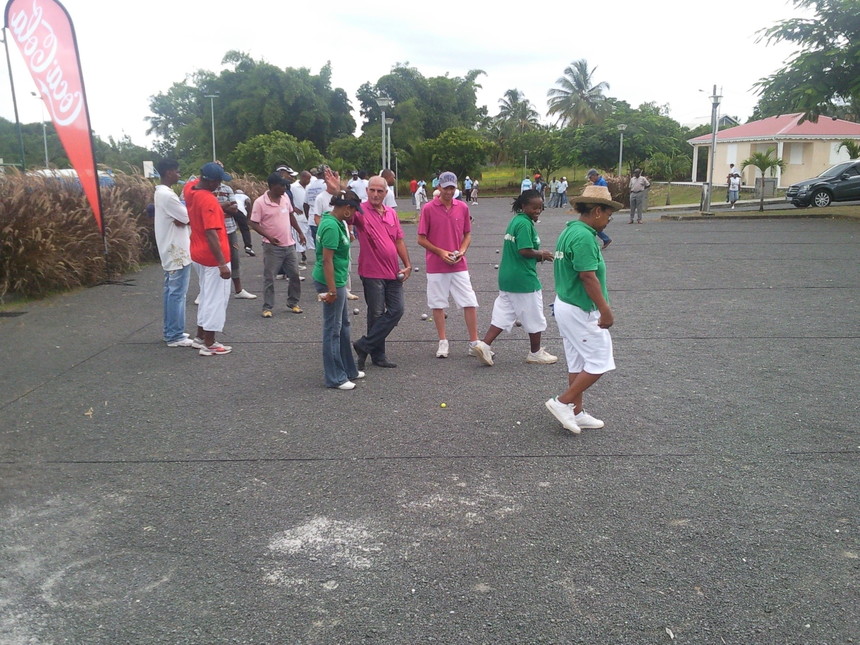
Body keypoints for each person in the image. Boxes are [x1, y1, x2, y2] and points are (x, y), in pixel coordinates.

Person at [545, 184, 620, 433]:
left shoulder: (571, 230)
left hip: (567, 303)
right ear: (597, 210)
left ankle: (576, 412)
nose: (609, 220)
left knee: (577, 361)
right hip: (580, 308)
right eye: (609, 214)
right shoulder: (584, 236)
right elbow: (588, 276)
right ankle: (563, 402)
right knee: (600, 360)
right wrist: (605, 309)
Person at [471, 189, 556, 367]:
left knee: (504, 314)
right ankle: (535, 353)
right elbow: (524, 250)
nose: (537, 211)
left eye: (540, 208)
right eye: (534, 207)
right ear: (523, 206)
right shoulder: (524, 224)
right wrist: (542, 254)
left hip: (507, 277)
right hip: (523, 279)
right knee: (535, 317)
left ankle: (484, 346)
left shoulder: (516, 220)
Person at [417, 170, 481, 358]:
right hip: (436, 265)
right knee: (438, 304)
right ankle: (443, 341)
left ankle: (474, 342)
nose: (448, 192)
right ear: (439, 187)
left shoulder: (462, 207)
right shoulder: (428, 208)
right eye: (445, 188)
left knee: (469, 302)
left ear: (456, 188)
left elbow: (467, 234)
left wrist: (461, 251)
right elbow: (421, 238)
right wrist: (440, 252)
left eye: (452, 188)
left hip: (459, 264)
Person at [351, 176, 413, 370]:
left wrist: (407, 264)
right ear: (367, 191)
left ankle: (364, 345)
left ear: (386, 193)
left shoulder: (391, 214)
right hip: (372, 271)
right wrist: (336, 190)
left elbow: (399, 240)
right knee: (376, 314)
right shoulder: (360, 211)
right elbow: (346, 213)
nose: (376, 194)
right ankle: (378, 355)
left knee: (397, 310)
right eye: (372, 190)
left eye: (380, 191)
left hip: (393, 271)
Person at [313, 189, 366, 390]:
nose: (354, 215)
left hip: (338, 279)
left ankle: (348, 369)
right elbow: (327, 260)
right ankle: (335, 377)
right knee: (332, 329)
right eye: (353, 211)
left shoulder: (337, 222)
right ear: (346, 209)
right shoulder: (331, 226)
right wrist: (333, 291)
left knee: (343, 325)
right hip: (330, 281)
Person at [185, 162, 233, 356]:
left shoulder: (191, 190)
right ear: (212, 181)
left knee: (206, 295)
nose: (220, 185)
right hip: (213, 258)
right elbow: (211, 233)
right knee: (216, 299)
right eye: (219, 181)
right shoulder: (209, 200)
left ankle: (199, 337)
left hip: (198, 252)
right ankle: (209, 343)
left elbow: (195, 181)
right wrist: (222, 263)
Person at [249, 173, 307, 317]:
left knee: (294, 274)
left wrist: (299, 232)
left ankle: (293, 302)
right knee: (270, 277)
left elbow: (290, 215)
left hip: (289, 244)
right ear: (272, 186)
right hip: (272, 247)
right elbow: (254, 223)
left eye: (285, 185)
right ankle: (267, 307)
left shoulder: (285, 198)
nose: (284, 188)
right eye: (281, 185)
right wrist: (268, 236)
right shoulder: (260, 202)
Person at [153, 159, 193, 347]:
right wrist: (184, 217)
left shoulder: (161, 193)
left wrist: (183, 218)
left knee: (172, 292)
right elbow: (187, 216)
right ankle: (174, 335)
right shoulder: (168, 196)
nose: (179, 175)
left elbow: (183, 217)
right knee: (177, 293)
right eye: (177, 171)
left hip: (171, 250)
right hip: (177, 251)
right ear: (168, 172)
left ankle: (172, 330)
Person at [213, 178, 256, 300]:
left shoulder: (227, 189)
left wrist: (216, 206)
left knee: (234, 259)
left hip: (229, 229)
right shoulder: (205, 190)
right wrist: (225, 205)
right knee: (211, 261)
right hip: (212, 230)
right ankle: (206, 292)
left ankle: (238, 290)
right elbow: (206, 209)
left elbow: (234, 209)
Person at [290, 170, 313, 264]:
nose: (309, 181)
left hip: (310, 214)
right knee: (300, 235)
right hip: (299, 215)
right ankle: (303, 255)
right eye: (308, 179)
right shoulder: (293, 187)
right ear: (303, 177)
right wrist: (293, 208)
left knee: (311, 235)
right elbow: (288, 198)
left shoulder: (310, 186)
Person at [586, 170, 612, 249]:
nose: (590, 179)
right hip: (596, 206)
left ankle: (605, 239)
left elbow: (604, 195)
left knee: (594, 225)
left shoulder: (602, 182)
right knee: (593, 225)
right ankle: (605, 239)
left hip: (601, 206)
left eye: (591, 177)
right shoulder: (596, 183)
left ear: (594, 176)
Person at [232, 189, 255, 257]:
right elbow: (248, 203)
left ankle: (231, 247)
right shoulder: (245, 196)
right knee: (245, 230)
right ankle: (248, 247)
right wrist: (248, 216)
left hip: (231, 210)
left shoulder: (233, 195)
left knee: (231, 229)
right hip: (240, 212)